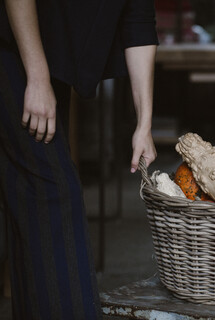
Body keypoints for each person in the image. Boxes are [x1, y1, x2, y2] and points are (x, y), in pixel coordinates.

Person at [0, 0, 158, 318]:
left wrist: (144, 124)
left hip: (47, 62)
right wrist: (38, 77)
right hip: (18, 53)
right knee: (54, 192)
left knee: (30, 196)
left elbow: (139, 21)